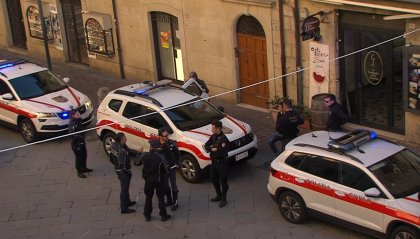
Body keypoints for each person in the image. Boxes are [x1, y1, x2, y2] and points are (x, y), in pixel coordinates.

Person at [140, 140, 172, 222]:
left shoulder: (144, 156)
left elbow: (136, 162)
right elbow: (167, 170)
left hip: (148, 180)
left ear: (151, 147)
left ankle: (147, 215)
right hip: (159, 180)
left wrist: (139, 153)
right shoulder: (161, 157)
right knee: (161, 198)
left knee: (148, 198)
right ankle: (163, 215)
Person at [205, 120, 230, 208]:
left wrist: (212, 149)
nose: (211, 130)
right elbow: (206, 145)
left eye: (213, 128)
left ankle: (224, 198)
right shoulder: (214, 136)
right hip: (214, 162)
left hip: (222, 163)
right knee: (213, 179)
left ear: (218, 129)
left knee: (223, 181)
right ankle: (218, 195)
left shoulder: (224, 140)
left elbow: (220, 152)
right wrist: (212, 149)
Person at [110, 132, 136, 214]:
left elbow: (111, 159)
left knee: (125, 187)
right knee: (124, 189)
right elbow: (122, 165)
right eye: (125, 138)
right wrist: (127, 172)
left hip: (117, 170)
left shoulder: (114, 146)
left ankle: (127, 201)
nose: (126, 139)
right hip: (123, 172)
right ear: (121, 140)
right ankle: (124, 208)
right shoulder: (122, 151)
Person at [156, 127, 181, 211]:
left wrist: (177, 163)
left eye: (167, 135)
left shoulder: (171, 144)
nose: (167, 137)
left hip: (172, 168)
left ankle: (175, 202)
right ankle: (169, 200)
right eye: (165, 136)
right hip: (163, 169)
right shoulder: (156, 145)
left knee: (174, 185)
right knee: (165, 186)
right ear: (160, 136)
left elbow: (177, 154)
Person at [69, 109, 92, 178]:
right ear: (73, 115)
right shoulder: (72, 123)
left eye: (78, 113)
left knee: (84, 155)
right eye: (77, 114)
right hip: (76, 143)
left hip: (81, 141)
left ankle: (84, 168)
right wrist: (80, 136)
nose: (78, 114)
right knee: (79, 157)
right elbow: (71, 134)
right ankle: (79, 172)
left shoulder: (78, 120)